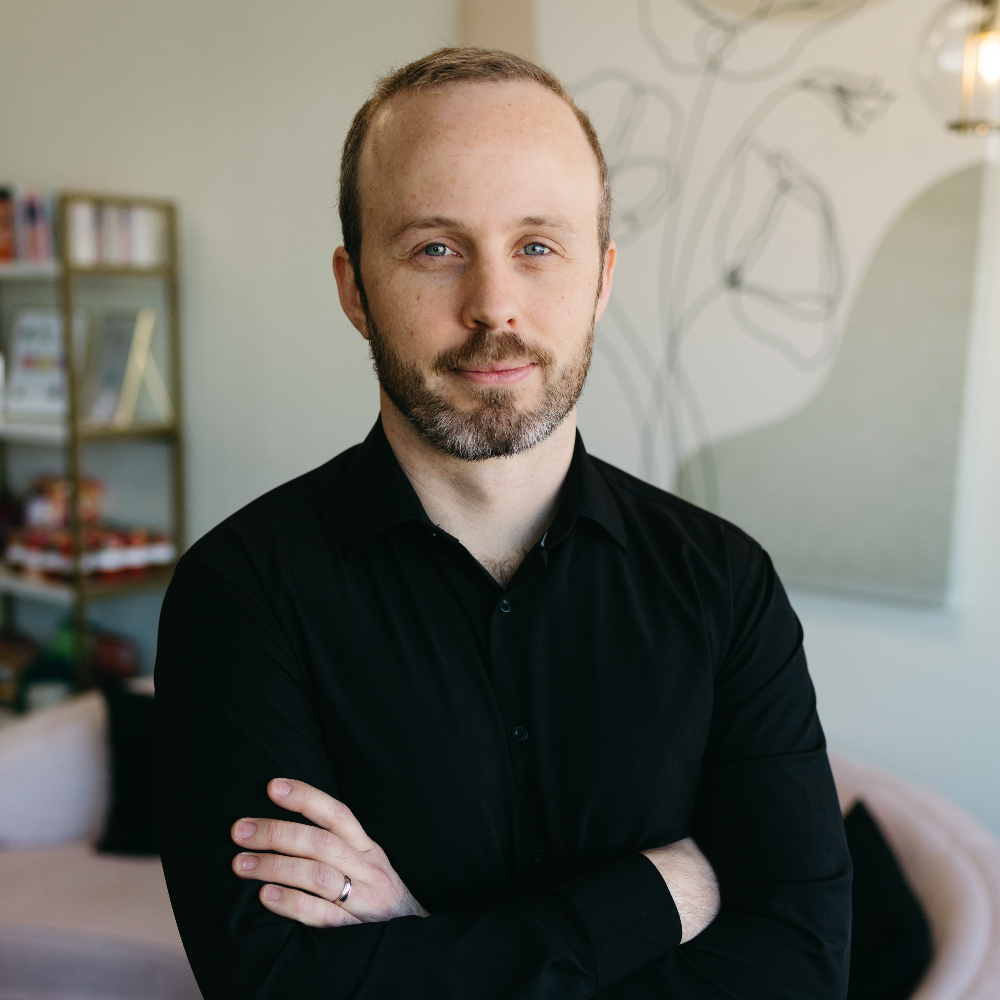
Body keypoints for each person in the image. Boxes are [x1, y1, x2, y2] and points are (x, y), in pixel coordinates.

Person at [153, 47, 852, 1000]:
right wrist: (656, 896)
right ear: (355, 287)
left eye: (537, 245)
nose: (494, 307)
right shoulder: (240, 593)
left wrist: (424, 947)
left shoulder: (724, 584)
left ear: (600, 279)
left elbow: (802, 968)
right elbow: (276, 984)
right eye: (436, 247)